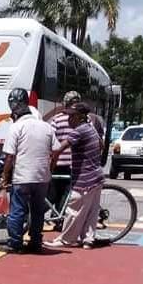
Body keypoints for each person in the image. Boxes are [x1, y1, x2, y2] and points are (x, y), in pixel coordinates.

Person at [0, 88, 61, 254]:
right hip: (42, 178)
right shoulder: (46, 127)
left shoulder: (16, 128)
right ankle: (35, 242)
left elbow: (10, 157)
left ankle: (15, 243)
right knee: (38, 210)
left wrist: (5, 177)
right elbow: (56, 150)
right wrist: (50, 168)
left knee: (17, 210)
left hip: (23, 177)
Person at [45, 103, 105, 250]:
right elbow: (102, 145)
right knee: (91, 211)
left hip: (85, 178)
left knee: (73, 210)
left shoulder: (79, 131)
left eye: (71, 116)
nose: (68, 119)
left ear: (79, 117)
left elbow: (58, 149)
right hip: (96, 176)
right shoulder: (91, 128)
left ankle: (66, 240)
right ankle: (88, 240)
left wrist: (49, 167)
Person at [48, 91, 82, 227]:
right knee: (67, 192)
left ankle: (56, 215)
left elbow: (50, 139)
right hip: (74, 162)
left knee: (54, 191)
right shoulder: (82, 119)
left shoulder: (56, 119)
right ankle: (60, 218)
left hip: (57, 161)